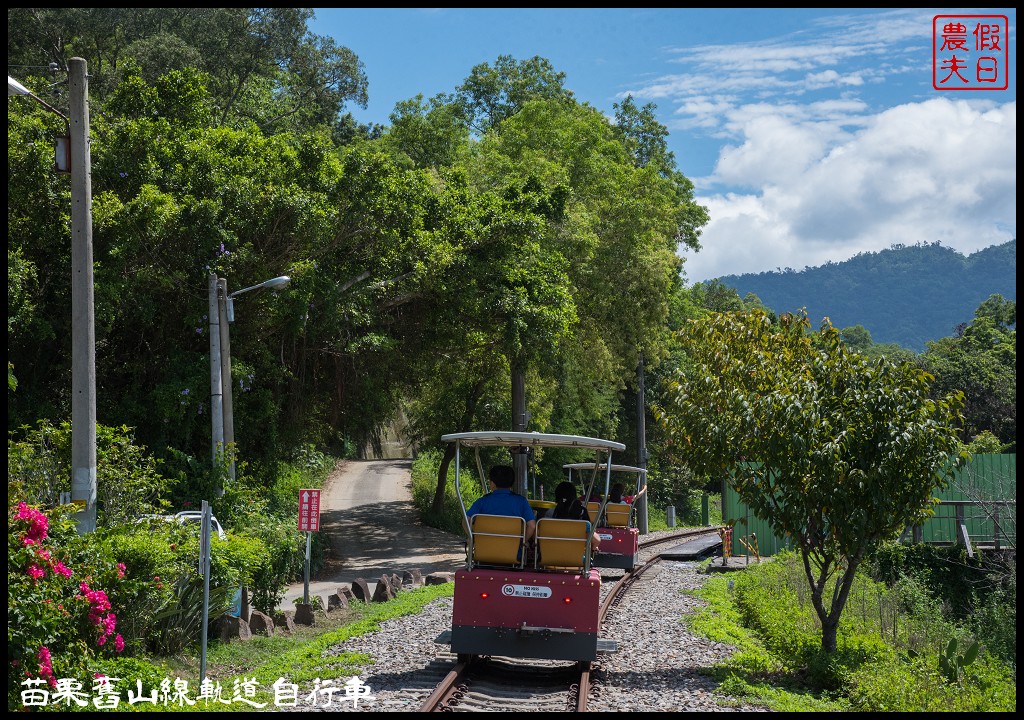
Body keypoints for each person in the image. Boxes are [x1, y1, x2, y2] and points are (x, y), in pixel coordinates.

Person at [466, 464, 536, 543]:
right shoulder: (522, 502)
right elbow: (532, 526)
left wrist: (473, 537)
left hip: (484, 551)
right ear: (511, 482)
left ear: (492, 483)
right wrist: (522, 543)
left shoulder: (482, 501)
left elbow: (466, 520)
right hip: (513, 552)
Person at [541, 481, 600, 551]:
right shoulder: (582, 521)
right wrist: (594, 547)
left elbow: (541, 534)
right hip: (575, 557)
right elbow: (596, 540)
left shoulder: (549, 514)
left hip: (551, 554)